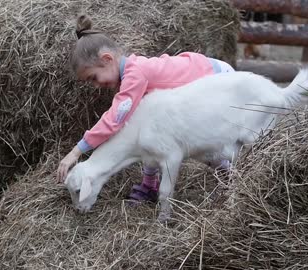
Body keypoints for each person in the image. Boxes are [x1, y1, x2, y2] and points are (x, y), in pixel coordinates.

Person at [56, 14, 234, 203]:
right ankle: (150, 185)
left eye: (93, 78)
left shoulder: (135, 75)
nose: (96, 85)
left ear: (107, 59)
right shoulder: (130, 75)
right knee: (149, 136)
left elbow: (114, 119)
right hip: (202, 80)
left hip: (215, 80)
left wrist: (77, 150)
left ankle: (231, 178)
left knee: (201, 145)